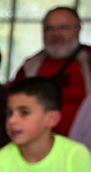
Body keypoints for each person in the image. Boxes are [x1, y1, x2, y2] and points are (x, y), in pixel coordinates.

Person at [13, 7, 87, 138]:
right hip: (37, 144)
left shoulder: (88, 62)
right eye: (49, 29)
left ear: (78, 29)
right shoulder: (30, 66)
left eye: (64, 28)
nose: (56, 33)